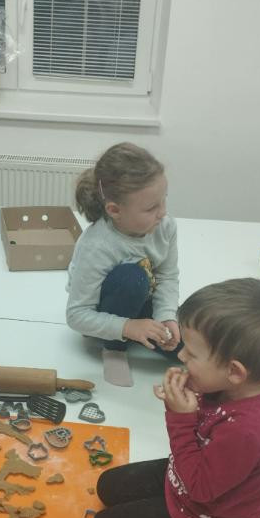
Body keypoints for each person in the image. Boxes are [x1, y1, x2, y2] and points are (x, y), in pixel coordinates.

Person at [94, 278, 260, 518]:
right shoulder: (239, 385)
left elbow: (199, 489)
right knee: (107, 486)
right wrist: (190, 396)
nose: (181, 356)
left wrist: (179, 417)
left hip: (206, 517)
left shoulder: (248, 431)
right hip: (197, 476)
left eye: (191, 353)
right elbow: (208, 434)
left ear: (234, 371)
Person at [66, 142, 179, 387]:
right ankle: (114, 348)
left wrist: (166, 316)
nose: (162, 212)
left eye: (163, 200)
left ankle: (138, 329)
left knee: (188, 347)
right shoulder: (97, 246)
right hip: (103, 310)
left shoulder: (165, 226)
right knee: (132, 277)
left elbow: (167, 276)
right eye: (151, 208)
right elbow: (77, 315)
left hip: (143, 297)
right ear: (115, 210)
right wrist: (127, 327)